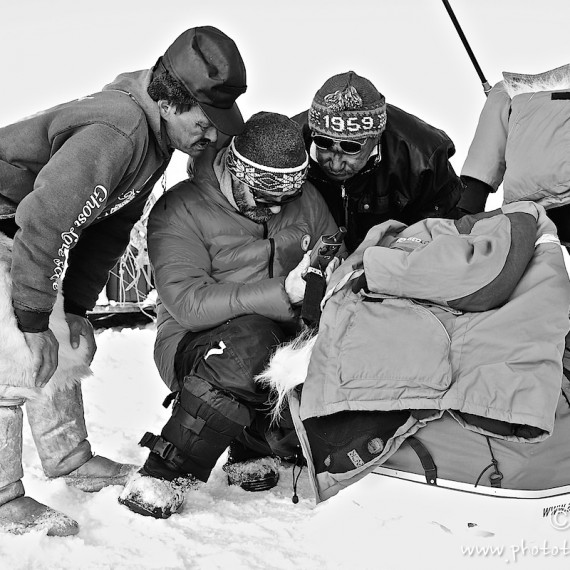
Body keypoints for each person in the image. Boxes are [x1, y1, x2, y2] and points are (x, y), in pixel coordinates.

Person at [0, 26, 247, 536]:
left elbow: (106, 228)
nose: (212, 136)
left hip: (24, 233)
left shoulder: (154, 142)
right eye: (205, 122)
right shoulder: (120, 130)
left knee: (60, 341)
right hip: (15, 227)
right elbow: (45, 221)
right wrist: (30, 319)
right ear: (172, 100)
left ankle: (69, 460)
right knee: (16, 356)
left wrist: (71, 310)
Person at [118, 112, 341, 519]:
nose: (273, 207)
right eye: (261, 194)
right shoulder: (179, 208)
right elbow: (188, 302)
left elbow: (333, 258)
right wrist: (281, 293)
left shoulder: (306, 199)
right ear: (235, 172)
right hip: (196, 344)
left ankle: (251, 446)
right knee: (251, 342)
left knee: (327, 349)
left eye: (285, 199)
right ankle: (164, 472)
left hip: (282, 336)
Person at [292, 71, 464, 252]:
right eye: (323, 143)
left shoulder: (423, 158)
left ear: (376, 138)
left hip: (393, 263)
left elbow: (448, 233)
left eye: (351, 148)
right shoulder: (286, 145)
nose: (335, 164)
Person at [458, 63, 570, 243]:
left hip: (528, 207)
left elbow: (483, 159)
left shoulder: (505, 91)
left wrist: (465, 214)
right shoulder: (506, 92)